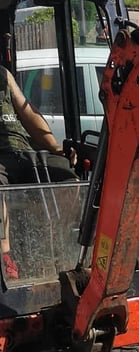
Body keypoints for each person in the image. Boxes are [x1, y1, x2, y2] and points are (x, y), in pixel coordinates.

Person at [0, 65, 77, 281]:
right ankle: (5, 260)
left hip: (24, 151)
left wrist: (56, 148)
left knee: (69, 178)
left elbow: (28, 113)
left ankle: (54, 249)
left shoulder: (3, 75)